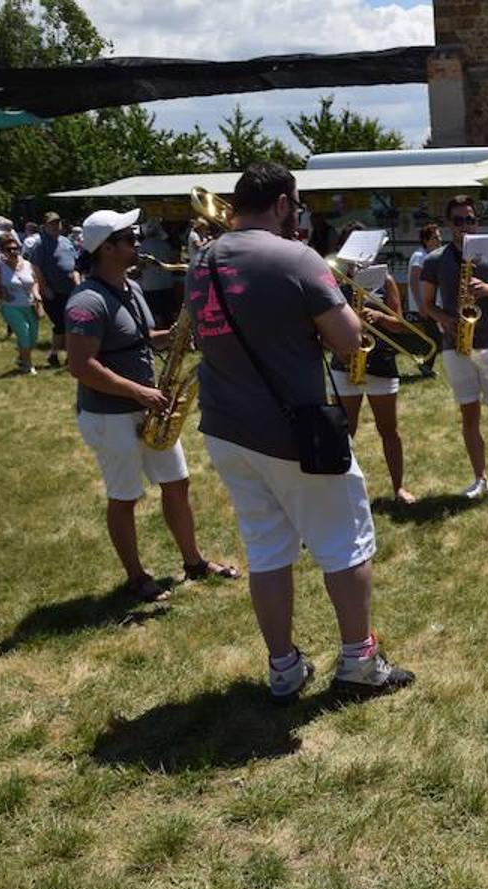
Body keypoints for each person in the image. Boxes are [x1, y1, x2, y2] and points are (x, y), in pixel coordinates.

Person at [185, 162, 413, 701]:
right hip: (293, 427)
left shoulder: (201, 262)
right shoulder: (296, 256)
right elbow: (349, 340)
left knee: (266, 548)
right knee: (345, 540)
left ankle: (283, 667)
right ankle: (360, 660)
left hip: (225, 426)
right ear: (284, 203)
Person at [65, 208, 238, 604]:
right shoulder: (87, 301)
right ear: (106, 248)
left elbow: (140, 339)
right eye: (129, 238)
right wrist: (137, 392)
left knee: (177, 483)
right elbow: (81, 365)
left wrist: (172, 336)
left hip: (148, 405)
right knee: (124, 496)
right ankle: (136, 576)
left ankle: (193, 562)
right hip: (110, 415)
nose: (138, 243)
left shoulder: (131, 288)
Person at [421, 194, 488, 498]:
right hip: (456, 346)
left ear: (478, 221)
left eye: (470, 219)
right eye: (458, 220)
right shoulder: (434, 259)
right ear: (448, 223)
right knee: (469, 415)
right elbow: (427, 304)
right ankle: (479, 477)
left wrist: (487, 289)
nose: (465, 225)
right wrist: (445, 319)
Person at [327, 249, 418, 504]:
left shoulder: (385, 280)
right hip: (345, 363)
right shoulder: (334, 282)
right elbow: (323, 325)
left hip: (380, 362)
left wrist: (378, 316)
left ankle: (398, 488)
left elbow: (399, 324)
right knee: (344, 431)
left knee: (388, 429)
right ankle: (338, 491)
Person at [27, 211, 80, 368]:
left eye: (58, 223)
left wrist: (78, 282)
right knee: (61, 324)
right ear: (45, 226)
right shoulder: (41, 244)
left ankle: (64, 355)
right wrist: (45, 288)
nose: (56, 226)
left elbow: (75, 264)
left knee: (72, 323)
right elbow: (36, 268)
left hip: (70, 289)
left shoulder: (66, 241)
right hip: (53, 291)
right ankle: (55, 354)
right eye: (52, 223)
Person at [0, 233, 44, 374]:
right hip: (11, 307)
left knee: (33, 338)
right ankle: (28, 365)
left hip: (30, 305)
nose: (13, 251)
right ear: (3, 251)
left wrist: (36, 293)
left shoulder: (27, 264)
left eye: (15, 248)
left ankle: (21, 358)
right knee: (23, 334)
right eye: (8, 249)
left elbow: (35, 281)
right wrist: (2, 294)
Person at [407, 223, 443, 376]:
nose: (439, 240)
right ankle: (425, 365)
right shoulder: (419, 256)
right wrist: (421, 304)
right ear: (427, 240)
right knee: (434, 337)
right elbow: (414, 281)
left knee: (433, 336)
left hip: (430, 304)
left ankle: (426, 364)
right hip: (422, 306)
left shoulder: (430, 256)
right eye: (436, 237)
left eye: (439, 236)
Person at [137, 221, 179, 327]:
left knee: (155, 314)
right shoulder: (164, 244)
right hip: (166, 283)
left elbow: (140, 265)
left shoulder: (142, 246)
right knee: (169, 312)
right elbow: (173, 260)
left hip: (149, 285)